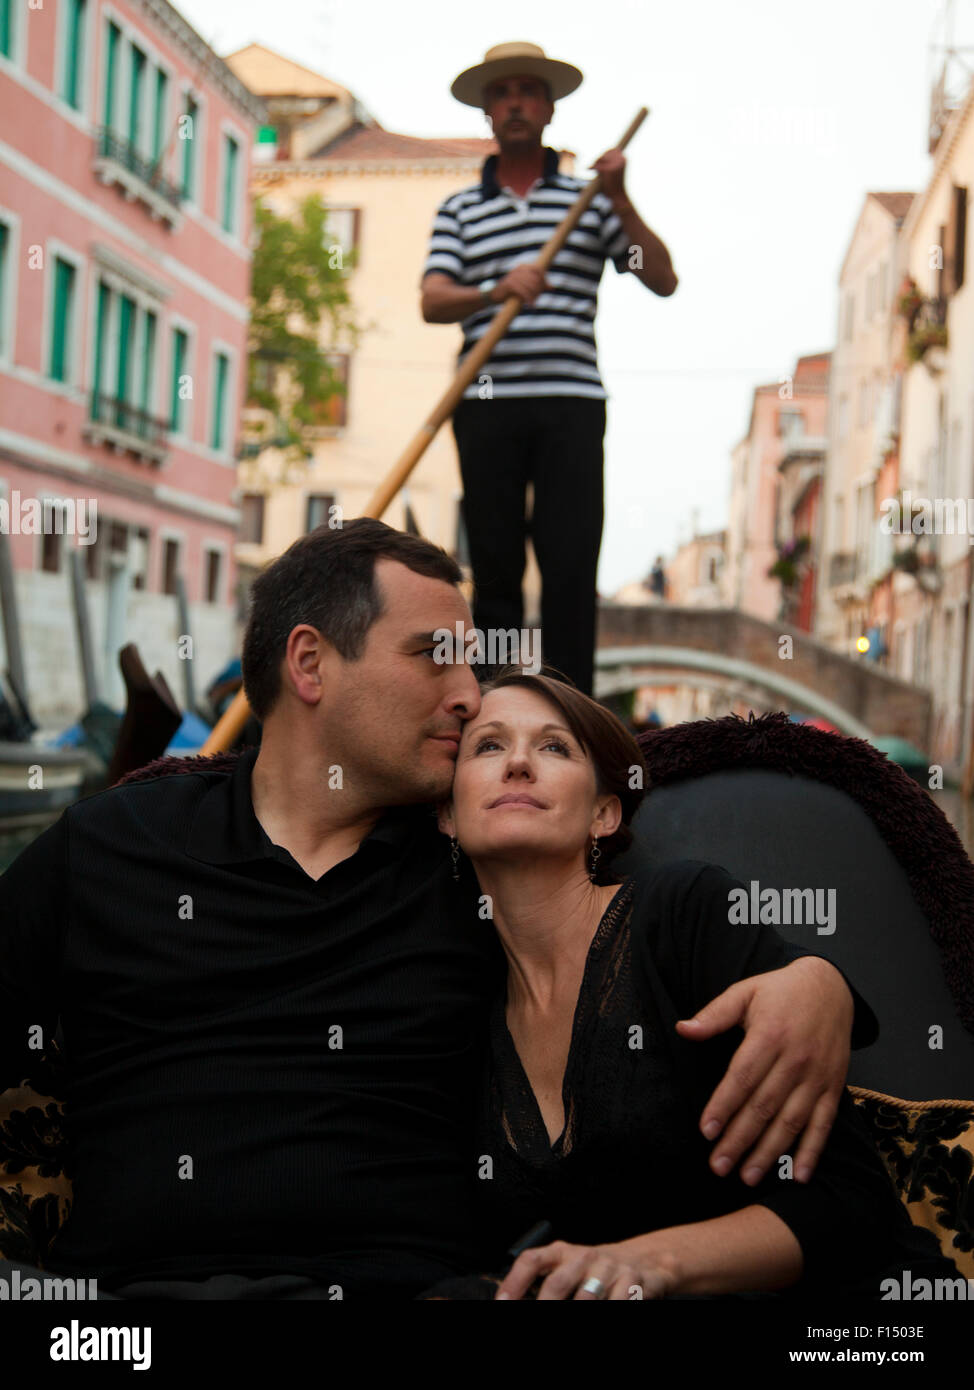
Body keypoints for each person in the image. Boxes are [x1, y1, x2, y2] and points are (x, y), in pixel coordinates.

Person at [0, 521, 869, 1300]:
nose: (467, 693)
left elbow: (632, 922)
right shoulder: (110, 847)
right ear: (310, 664)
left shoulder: (476, 869)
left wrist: (817, 978)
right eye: (435, 656)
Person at [435, 669, 960, 1299]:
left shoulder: (683, 911)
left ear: (603, 814)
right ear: (448, 815)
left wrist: (646, 1264)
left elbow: (851, 1203)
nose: (518, 763)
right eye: (489, 745)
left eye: (554, 746)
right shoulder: (459, 1004)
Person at [422, 42, 678, 695]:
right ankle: (494, 705)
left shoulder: (589, 202)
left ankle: (570, 715)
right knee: (495, 570)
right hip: (484, 403)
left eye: (528, 91)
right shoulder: (459, 209)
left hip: (571, 403)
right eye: (501, 93)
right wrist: (496, 289)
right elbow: (433, 300)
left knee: (569, 568)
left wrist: (621, 199)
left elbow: (661, 278)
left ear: (549, 108)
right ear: (487, 111)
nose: (515, 104)